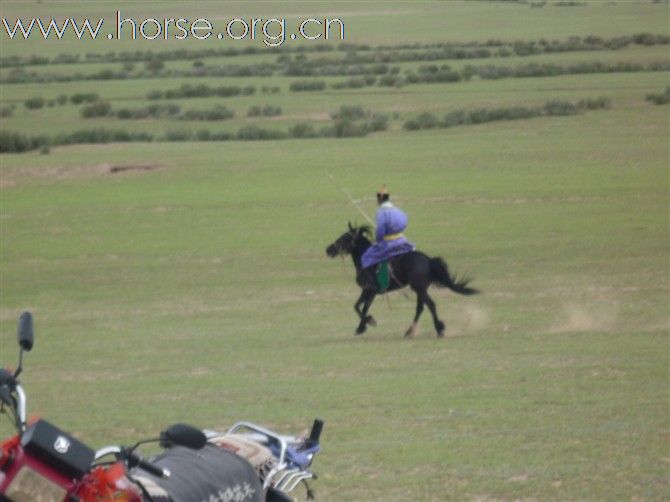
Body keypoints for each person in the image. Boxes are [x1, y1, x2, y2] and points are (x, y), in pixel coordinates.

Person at [360, 185, 415, 271]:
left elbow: (380, 231)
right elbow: (405, 223)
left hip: (389, 243)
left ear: (380, 198)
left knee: (366, 256)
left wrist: (378, 240)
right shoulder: (399, 210)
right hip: (402, 240)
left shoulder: (381, 212)